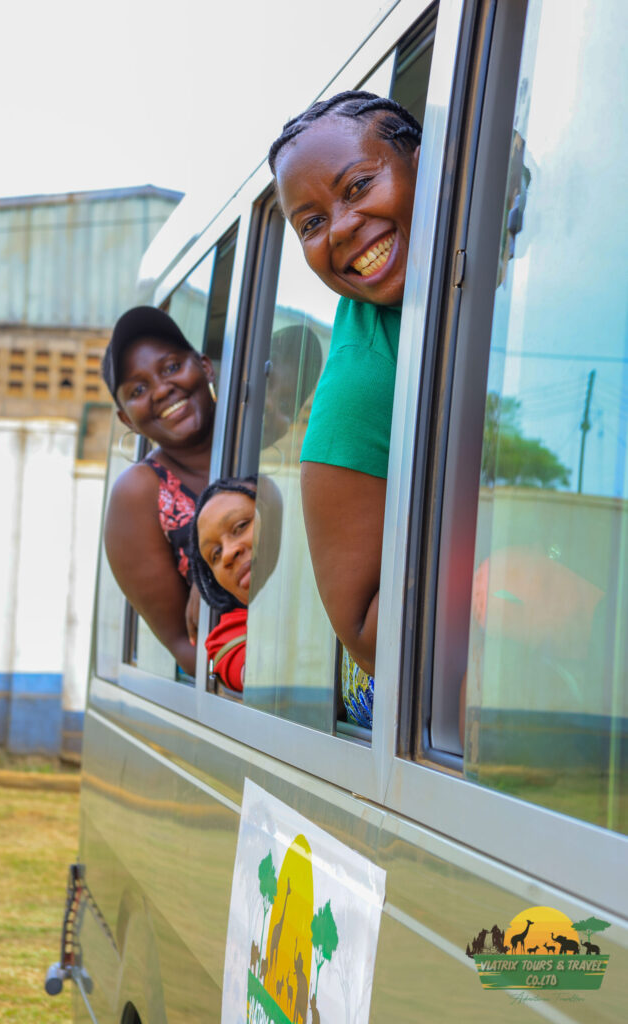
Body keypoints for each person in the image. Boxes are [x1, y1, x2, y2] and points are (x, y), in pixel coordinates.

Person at [268, 90, 422, 720]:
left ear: (426, 161)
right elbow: (364, 634)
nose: (339, 228)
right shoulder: (361, 380)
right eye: (310, 224)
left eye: (358, 186)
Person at [101, 305, 217, 675]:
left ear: (205, 366)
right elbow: (185, 645)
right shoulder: (140, 493)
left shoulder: (258, 439)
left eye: (170, 367)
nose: (162, 389)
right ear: (126, 419)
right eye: (138, 389)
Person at [189, 475, 283, 691]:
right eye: (215, 554)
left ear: (277, 518)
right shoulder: (227, 638)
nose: (228, 554)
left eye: (240, 526)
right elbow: (266, 678)